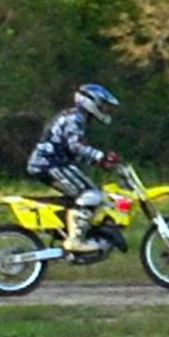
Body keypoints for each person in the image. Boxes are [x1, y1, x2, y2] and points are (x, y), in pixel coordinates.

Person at [26, 83, 122, 253]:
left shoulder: (76, 117)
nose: (105, 109)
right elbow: (75, 146)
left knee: (88, 193)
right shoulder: (75, 118)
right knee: (90, 194)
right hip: (49, 164)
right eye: (103, 104)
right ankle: (75, 240)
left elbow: (75, 152)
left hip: (53, 162)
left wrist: (100, 163)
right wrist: (100, 156)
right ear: (91, 101)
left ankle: (72, 230)